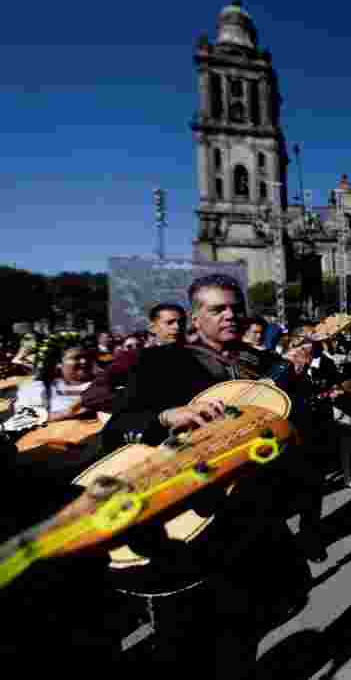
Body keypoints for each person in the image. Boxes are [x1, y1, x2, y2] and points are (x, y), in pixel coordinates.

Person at [101, 274, 325, 677]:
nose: (229, 316)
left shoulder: (264, 363)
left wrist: (297, 385)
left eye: (235, 308)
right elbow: (117, 428)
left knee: (250, 628)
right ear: (194, 317)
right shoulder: (161, 361)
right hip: (190, 520)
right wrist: (166, 416)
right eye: (216, 309)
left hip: (254, 516)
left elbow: (301, 428)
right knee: (189, 641)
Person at [81, 303, 185, 414]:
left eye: (181, 322)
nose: (177, 327)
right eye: (170, 323)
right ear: (153, 328)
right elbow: (92, 394)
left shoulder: (197, 355)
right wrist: (140, 404)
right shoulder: (133, 358)